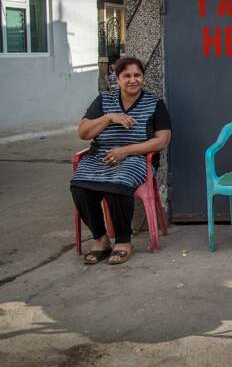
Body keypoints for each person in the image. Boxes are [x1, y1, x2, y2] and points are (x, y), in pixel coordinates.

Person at [70, 57, 172, 265]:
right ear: (117, 79)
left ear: (143, 78)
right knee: (79, 187)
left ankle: (124, 241)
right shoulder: (104, 101)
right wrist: (109, 118)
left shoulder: (155, 104)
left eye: (137, 75)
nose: (133, 80)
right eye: (127, 76)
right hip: (101, 157)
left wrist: (126, 150)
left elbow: (163, 140)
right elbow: (83, 133)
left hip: (137, 159)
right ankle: (100, 238)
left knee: (118, 184)